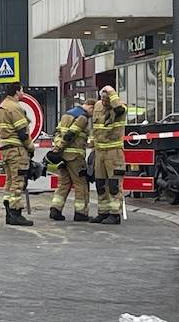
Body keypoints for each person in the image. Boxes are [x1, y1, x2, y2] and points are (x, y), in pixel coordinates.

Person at [45, 98, 95, 222]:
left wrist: (57, 149)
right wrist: (58, 148)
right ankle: (81, 213)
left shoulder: (67, 114)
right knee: (81, 184)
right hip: (75, 157)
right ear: (90, 106)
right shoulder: (82, 117)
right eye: (93, 111)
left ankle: (55, 209)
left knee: (63, 183)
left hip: (62, 157)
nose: (93, 115)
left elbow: (57, 133)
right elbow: (70, 135)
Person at [0, 82, 33, 226]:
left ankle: (8, 213)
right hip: (16, 150)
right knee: (18, 182)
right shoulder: (14, 107)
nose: (23, 94)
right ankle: (16, 213)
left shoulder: (2, 107)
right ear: (17, 92)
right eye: (22, 91)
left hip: (5, 149)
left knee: (10, 181)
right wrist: (30, 148)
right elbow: (22, 132)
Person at [89, 85, 127, 225]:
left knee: (114, 185)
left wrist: (111, 91)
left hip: (114, 152)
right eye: (102, 99)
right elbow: (94, 128)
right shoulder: (98, 106)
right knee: (100, 184)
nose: (104, 103)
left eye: (107, 100)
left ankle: (115, 214)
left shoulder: (120, 107)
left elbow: (118, 109)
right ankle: (102, 212)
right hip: (99, 152)